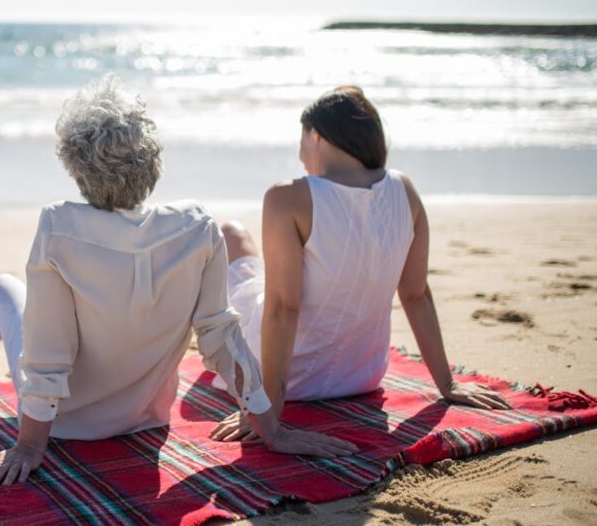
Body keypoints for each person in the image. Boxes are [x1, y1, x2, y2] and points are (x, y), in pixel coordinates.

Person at [0, 74, 357, 486]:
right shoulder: (197, 227)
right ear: (153, 161)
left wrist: (28, 445)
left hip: (64, 424)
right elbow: (221, 339)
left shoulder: (59, 227)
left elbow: (48, 354)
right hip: (147, 417)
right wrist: (273, 430)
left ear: (76, 167)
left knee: (3, 289)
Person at [209, 85, 510, 442]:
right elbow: (416, 295)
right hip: (361, 375)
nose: (301, 155)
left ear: (316, 135)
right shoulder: (405, 190)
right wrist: (447, 384)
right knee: (258, 272)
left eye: (301, 141)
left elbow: (283, 309)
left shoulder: (286, 196)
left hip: (283, 375)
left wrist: (269, 410)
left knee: (229, 234)